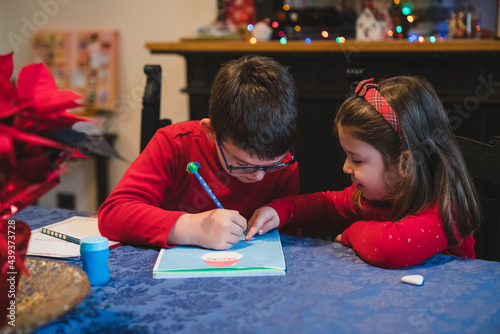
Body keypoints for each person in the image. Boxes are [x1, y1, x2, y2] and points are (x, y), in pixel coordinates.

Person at [246, 76, 481, 269]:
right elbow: (327, 206)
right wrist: (281, 210)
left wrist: (352, 233)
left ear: (405, 164)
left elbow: (391, 249)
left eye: (357, 160)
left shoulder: (446, 210)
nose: (346, 168)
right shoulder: (374, 197)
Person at [98, 55, 299, 250]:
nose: (259, 176)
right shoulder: (174, 144)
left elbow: (291, 239)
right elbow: (113, 214)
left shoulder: (283, 165)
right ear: (211, 132)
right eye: (242, 164)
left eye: (271, 165)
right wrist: (192, 227)